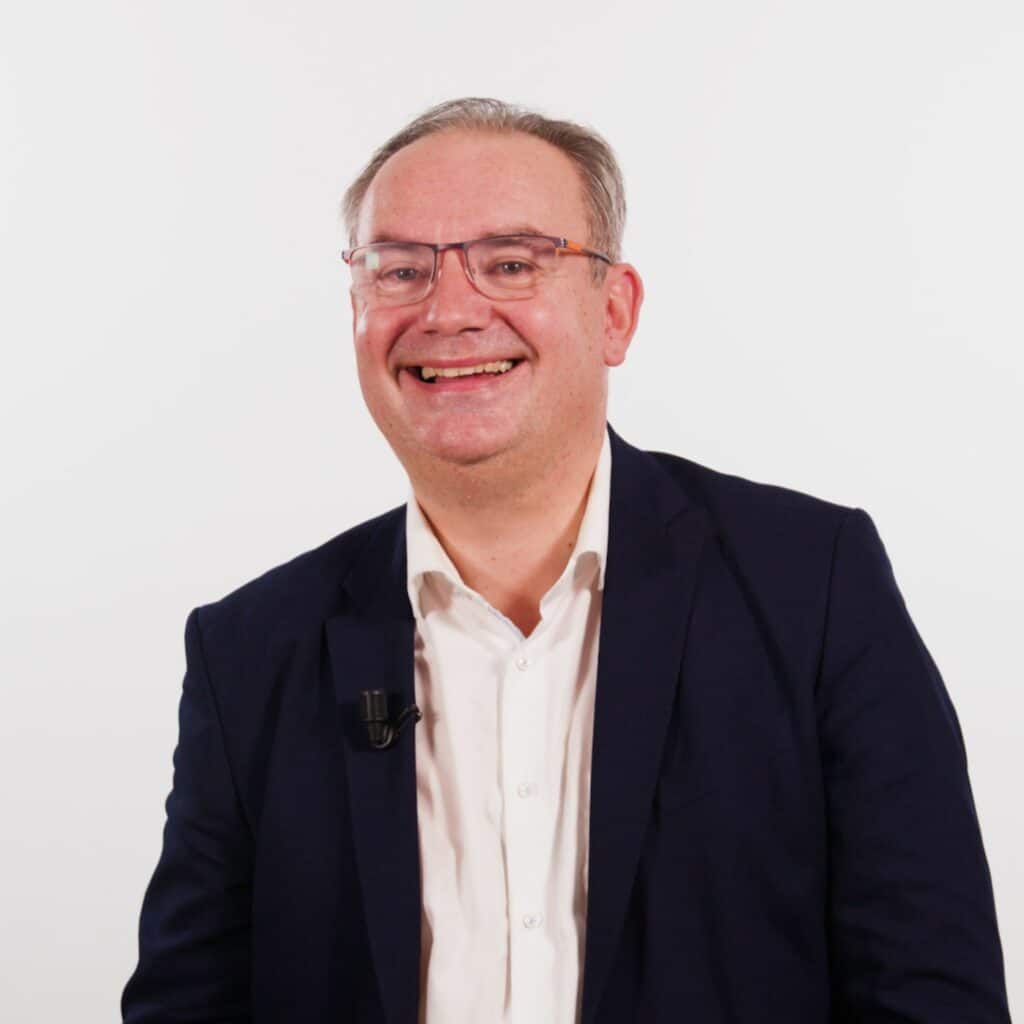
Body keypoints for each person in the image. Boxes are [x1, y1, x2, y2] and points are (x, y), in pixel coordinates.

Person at [122, 98, 1011, 1023]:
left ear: (615, 312)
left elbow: (933, 995)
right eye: (401, 270)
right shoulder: (249, 651)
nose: (449, 311)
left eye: (511, 263)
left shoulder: (811, 587)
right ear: (356, 310)